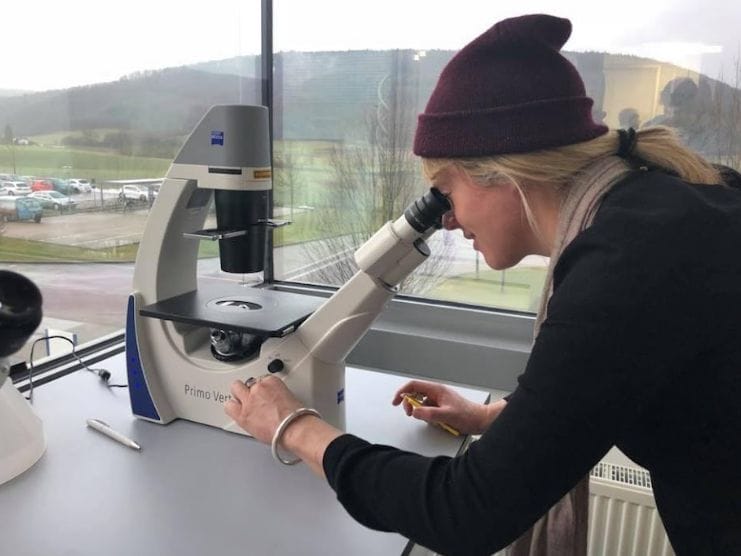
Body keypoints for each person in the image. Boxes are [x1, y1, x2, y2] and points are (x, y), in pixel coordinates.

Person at [224, 14, 741, 556]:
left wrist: (294, 427)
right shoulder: (660, 211)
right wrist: (495, 418)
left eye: (445, 188)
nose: (445, 219)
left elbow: (465, 513)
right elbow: (609, 380)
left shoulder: (628, 266)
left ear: (507, 172)